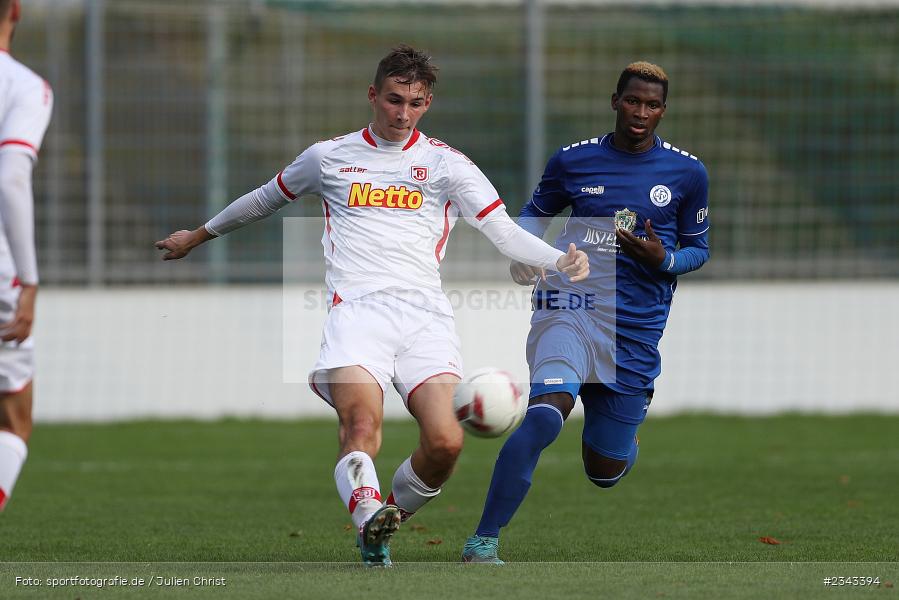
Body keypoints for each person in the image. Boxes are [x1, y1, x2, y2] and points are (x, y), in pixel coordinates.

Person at [155, 45, 588, 567]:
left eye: (415, 103)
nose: (402, 114)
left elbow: (501, 231)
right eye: (393, 100)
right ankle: (366, 517)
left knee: (447, 442)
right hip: (356, 315)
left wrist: (559, 259)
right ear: (372, 95)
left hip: (425, 320)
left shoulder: (446, 165)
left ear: (427, 103)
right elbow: (265, 197)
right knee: (361, 428)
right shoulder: (328, 157)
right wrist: (199, 235)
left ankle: (382, 525)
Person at [462, 62, 710, 563]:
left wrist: (664, 260)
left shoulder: (688, 173)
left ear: (663, 110)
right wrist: (524, 257)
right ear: (614, 100)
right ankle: (483, 541)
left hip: (635, 329)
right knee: (545, 416)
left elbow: (697, 249)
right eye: (633, 101)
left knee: (604, 471)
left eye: (652, 105)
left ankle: (621, 430)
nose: (641, 113)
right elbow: (533, 218)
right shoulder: (573, 161)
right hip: (569, 305)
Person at [0, 0, 53, 513]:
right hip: (1, 272)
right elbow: (11, 177)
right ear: (14, 11)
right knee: (13, 420)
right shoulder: (23, 86)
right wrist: (29, 282)